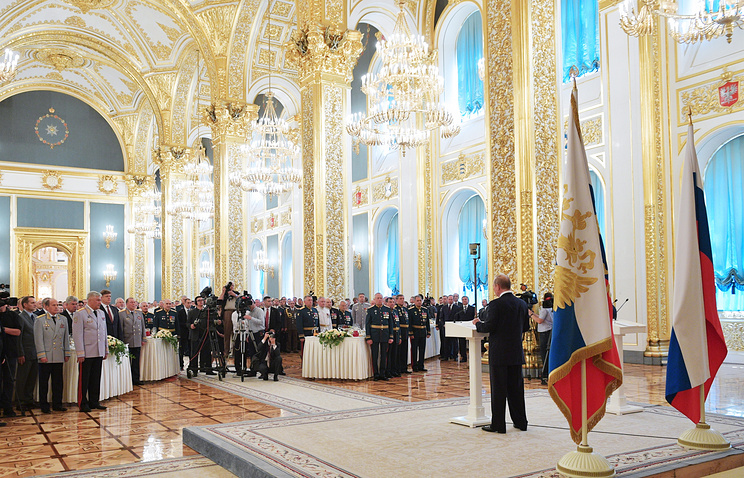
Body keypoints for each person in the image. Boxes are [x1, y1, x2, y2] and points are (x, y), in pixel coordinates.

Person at [474, 274, 530, 433]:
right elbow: (525, 326)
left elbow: (489, 327)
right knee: (516, 389)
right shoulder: (521, 304)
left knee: (499, 390)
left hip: (499, 353)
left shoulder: (496, 304)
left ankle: (498, 425)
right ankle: (521, 422)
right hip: (516, 352)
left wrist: (478, 324)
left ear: (498, 287)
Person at [72, 291, 109, 412]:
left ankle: (94, 401)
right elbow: (77, 335)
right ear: (90, 300)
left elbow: (104, 332)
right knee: (85, 379)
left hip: (98, 351)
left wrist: (105, 349)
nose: (100, 302)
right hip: (87, 352)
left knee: (95, 378)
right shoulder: (80, 314)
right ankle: (83, 403)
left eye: (100, 300)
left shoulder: (101, 313)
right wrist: (80, 353)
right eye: (97, 300)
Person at [34, 298, 70, 413]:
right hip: (46, 355)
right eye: (53, 305)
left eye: (57, 305)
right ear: (46, 306)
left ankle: (57, 404)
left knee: (58, 382)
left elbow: (66, 338)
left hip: (58, 354)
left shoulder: (63, 319)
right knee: (44, 382)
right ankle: (44, 405)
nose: (56, 307)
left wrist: (67, 352)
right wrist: (41, 355)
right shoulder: (40, 320)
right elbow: (38, 339)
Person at [14, 296, 38, 417]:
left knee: (32, 378)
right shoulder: (20, 318)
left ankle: (29, 399)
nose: (35, 304)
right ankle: (20, 401)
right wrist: (20, 353)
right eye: (32, 303)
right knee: (22, 378)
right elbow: (18, 338)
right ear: (25, 305)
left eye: (35, 303)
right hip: (25, 352)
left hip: (36, 353)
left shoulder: (36, 317)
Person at [0, 299, 21, 417]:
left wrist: (3, 330)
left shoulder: (13, 315)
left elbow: (18, 332)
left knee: (9, 380)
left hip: (10, 352)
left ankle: (8, 407)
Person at [365, 293, 393, 381]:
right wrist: (368, 337)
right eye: (378, 298)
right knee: (375, 355)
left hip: (385, 334)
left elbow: (390, 323)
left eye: (381, 298)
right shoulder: (370, 310)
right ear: (375, 299)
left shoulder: (387, 309)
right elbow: (367, 324)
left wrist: (391, 336)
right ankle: (376, 374)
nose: (379, 299)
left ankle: (382, 373)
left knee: (384, 355)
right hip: (374, 335)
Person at [120, 298, 146, 385]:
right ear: (127, 304)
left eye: (134, 302)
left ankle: (136, 378)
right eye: (131, 302)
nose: (133, 304)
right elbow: (120, 328)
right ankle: (127, 380)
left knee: (136, 361)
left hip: (137, 340)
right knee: (127, 361)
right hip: (127, 340)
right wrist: (121, 341)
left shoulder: (138, 313)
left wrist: (143, 338)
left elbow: (142, 326)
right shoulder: (122, 314)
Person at [187, 296, 212, 377]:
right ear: (196, 302)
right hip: (195, 335)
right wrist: (191, 326)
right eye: (199, 300)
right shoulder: (192, 312)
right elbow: (187, 323)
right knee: (194, 353)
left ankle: (208, 369)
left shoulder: (207, 311)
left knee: (207, 353)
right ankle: (194, 370)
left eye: (202, 300)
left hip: (205, 335)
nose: (201, 302)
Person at [533, 292, 553, 385]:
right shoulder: (551, 308)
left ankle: (545, 374)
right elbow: (542, 318)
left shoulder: (545, 309)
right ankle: (547, 374)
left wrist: (530, 315)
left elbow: (540, 321)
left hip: (544, 332)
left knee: (544, 353)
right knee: (546, 353)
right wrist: (533, 314)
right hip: (549, 331)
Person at [408, 295, 431, 372]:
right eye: (417, 301)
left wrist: (428, 331)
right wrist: (411, 333)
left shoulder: (425, 310)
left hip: (423, 332)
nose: (419, 302)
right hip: (415, 332)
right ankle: (414, 366)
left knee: (422, 349)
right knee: (414, 350)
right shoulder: (411, 310)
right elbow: (410, 323)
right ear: (414, 301)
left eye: (420, 301)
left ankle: (421, 365)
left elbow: (427, 321)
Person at [218, 282, 238, 359]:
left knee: (235, 332)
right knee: (227, 332)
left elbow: (240, 299)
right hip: (227, 312)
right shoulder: (225, 295)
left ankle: (235, 351)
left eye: (232, 285)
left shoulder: (236, 293)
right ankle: (226, 351)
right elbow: (219, 302)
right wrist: (223, 292)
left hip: (235, 312)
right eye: (230, 286)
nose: (231, 287)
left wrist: (234, 294)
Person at [454, 296, 476, 362]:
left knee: (471, 342)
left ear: (468, 300)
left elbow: (474, 317)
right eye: (463, 299)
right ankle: (463, 357)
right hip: (462, 328)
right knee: (461, 343)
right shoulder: (459, 309)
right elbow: (457, 318)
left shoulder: (472, 308)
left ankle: (472, 357)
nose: (464, 301)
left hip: (470, 327)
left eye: (465, 299)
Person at [385, 297, 401, 378]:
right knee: (389, 354)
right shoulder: (386, 312)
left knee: (395, 354)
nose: (392, 303)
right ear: (387, 303)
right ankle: (388, 371)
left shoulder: (395, 311)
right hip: (389, 335)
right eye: (390, 302)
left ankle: (394, 370)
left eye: (393, 302)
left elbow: (398, 324)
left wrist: (400, 337)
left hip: (396, 334)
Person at [176, 297, 192, 370]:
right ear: (184, 303)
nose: (189, 304)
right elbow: (179, 323)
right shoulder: (180, 312)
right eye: (188, 303)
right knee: (181, 350)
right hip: (183, 333)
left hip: (191, 334)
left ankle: (191, 365)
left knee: (191, 350)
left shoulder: (192, 311)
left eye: (190, 303)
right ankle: (181, 365)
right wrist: (187, 325)